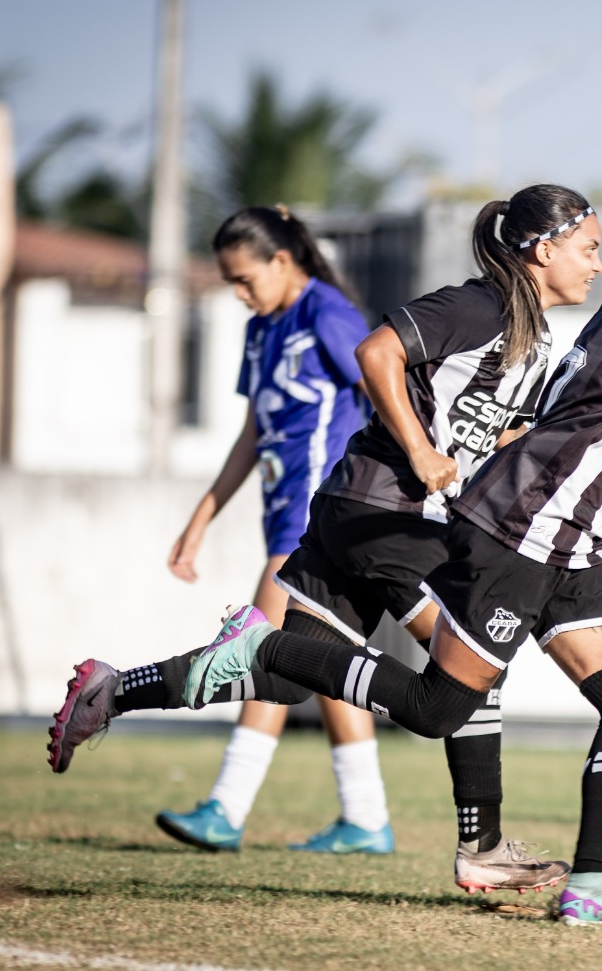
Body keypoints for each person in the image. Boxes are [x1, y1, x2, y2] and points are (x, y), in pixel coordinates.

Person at [64, 200, 602, 927]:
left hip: (548, 539)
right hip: (480, 530)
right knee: (442, 705)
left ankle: (585, 882)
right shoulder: (509, 308)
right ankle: (279, 668)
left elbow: (575, 405)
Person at [143, 205, 397, 855]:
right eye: (229, 282)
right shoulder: (262, 331)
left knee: (262, 645)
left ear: (283, 261)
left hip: (323, 516)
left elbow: (388, 398)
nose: (238, 293)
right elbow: (252, 434)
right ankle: (367, 819)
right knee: (322, 662)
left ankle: (226, 807)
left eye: (244, 279)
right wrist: (200, 519)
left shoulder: (329, 316)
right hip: (284, 515)